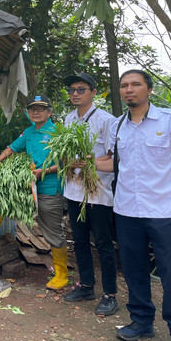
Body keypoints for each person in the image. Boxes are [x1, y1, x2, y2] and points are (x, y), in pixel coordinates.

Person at [96, 70, 171, 341]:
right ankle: (142, 321)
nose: (129, 90)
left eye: (135, 84)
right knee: (134, 269)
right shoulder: (119, 125)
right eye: (124, 86)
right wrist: (83, 161)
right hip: (126, 210)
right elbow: (114, 164)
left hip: (165, 211)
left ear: (148, 89)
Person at [0, 94, 66, 290]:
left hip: (49, 188)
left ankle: (62, 274)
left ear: (49, 112)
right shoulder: (29, 132)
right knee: (3, 195)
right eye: (33, 109)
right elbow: (12, 148)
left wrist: (45, 171)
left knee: (51, 230)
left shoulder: (58, 132)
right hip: (30, 188)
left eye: (41, 109)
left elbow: (66, 162)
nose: (36, 112)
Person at [60, 73, 118, 316]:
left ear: (94, 92)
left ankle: (110, 294)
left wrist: (88, 162)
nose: (75, 94)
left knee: (103, 242)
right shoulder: (68, 119)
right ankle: (86, 285)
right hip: (74, 190)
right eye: (72, 89)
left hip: (98, 191)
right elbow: (63, 150)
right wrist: (68, 160)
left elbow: (113, 155)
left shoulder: (107, 120)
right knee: (80, 240)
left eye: (81, 89)